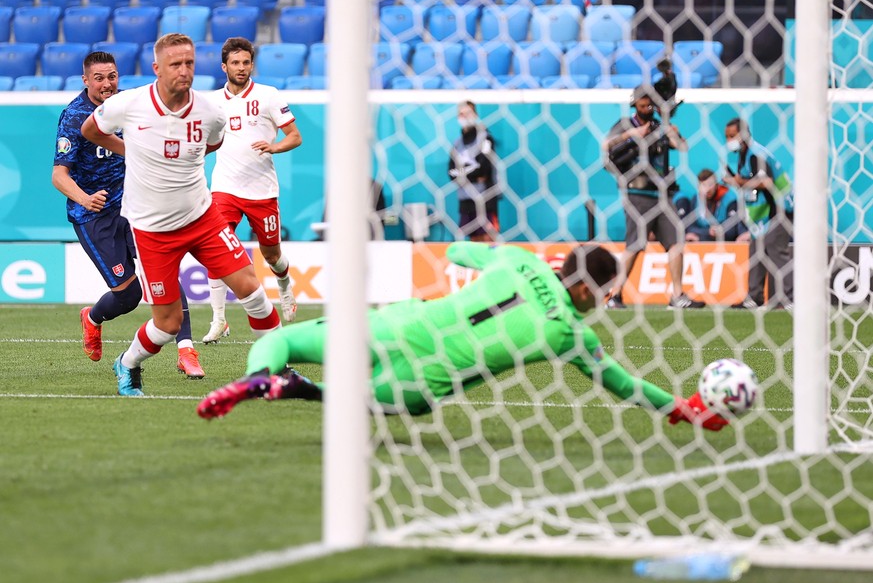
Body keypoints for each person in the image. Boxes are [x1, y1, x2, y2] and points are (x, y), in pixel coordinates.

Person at [197, 242, 728, 433]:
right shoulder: (569, 334)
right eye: (607, 291)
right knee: (375, 404)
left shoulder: (519, 260)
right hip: (426, 377)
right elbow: (622, 383)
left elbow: (454, 254)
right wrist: (684, 408)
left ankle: (259, 378)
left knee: (287, 340)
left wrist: (503, 262)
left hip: (404, 323)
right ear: (586, 288)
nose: (606, 300)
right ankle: (306, 392)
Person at [81, 33, 281, 396]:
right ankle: (126, 363)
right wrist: (130, 150)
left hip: (202, 218)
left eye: (189, 63)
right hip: (152, 229)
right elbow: (90, 130)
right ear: (157, 68)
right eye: (175, 64)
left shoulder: (210, 111)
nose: (184, 70)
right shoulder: (129, 104)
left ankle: (275, 370)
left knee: (252, 289)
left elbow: (213, 142)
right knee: (168, 324)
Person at [52, 50, 205, 379]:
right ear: (85, 80)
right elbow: (59, 175)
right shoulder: (74, 116)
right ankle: (92, 318)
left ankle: (187, 351)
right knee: (130, 295)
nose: (107, 84)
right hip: (93, 216)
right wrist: (85, 197)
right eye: (99, 78)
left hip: (137, 208)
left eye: (112, 77)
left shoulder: (127, 105)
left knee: (166, 273)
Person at [202, 37, 303, 344]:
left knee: (272, 255)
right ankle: (219, 319)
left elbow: (295, 136)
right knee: (215, 251)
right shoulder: (211, 102)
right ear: (224, 67)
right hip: (225, 188)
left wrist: (274, 146)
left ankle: (284, 285)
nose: (241, 68)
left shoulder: (268, 95)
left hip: (262, 190)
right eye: (235, 63)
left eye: (246, 62)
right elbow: (203, 141)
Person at [603, 85, 704, 309]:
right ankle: (615, 295)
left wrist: (671, 132)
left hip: (662, 193)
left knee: (676, 243)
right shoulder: (625, 124)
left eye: (650, 103)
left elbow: (683, 147)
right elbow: (606, 147)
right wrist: (632, 135)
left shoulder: (660, 126)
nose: (647, 108)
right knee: (635, 245)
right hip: (637, 192)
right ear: (634, 104)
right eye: (642, 104)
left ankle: (678, 295)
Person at [722, 118, 794, 310]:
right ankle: (754, 297)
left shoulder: (756, 155)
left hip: (779, 209)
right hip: (762, 214)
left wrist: (739, 182)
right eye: (727, 137)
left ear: (743, 135)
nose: (729, 140)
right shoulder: (744, 154)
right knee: (756, 252)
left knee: (776, 250)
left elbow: (766, 181)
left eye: (732, 136)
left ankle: (791, 298)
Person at [448, 101, 500, 242]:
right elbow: (451, 173)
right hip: (465, 199)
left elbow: (484, 168)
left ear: (475, 115)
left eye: (468, 113)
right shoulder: (457, 144)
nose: (464, 117)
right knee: (473, 241)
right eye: (461, 114)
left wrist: (462, 173)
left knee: (487, 238)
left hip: (485, 197)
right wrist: (473, 174)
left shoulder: (485, 138)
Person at [674, 168, 746, 242]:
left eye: (710, 184)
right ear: (698, 187)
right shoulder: (696, 200)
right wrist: (708, 232)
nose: (707, 189)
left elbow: (732, 232)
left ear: (717, 185)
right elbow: (690, 228)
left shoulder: (729, 199)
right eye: (703, 185)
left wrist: (701, 237)